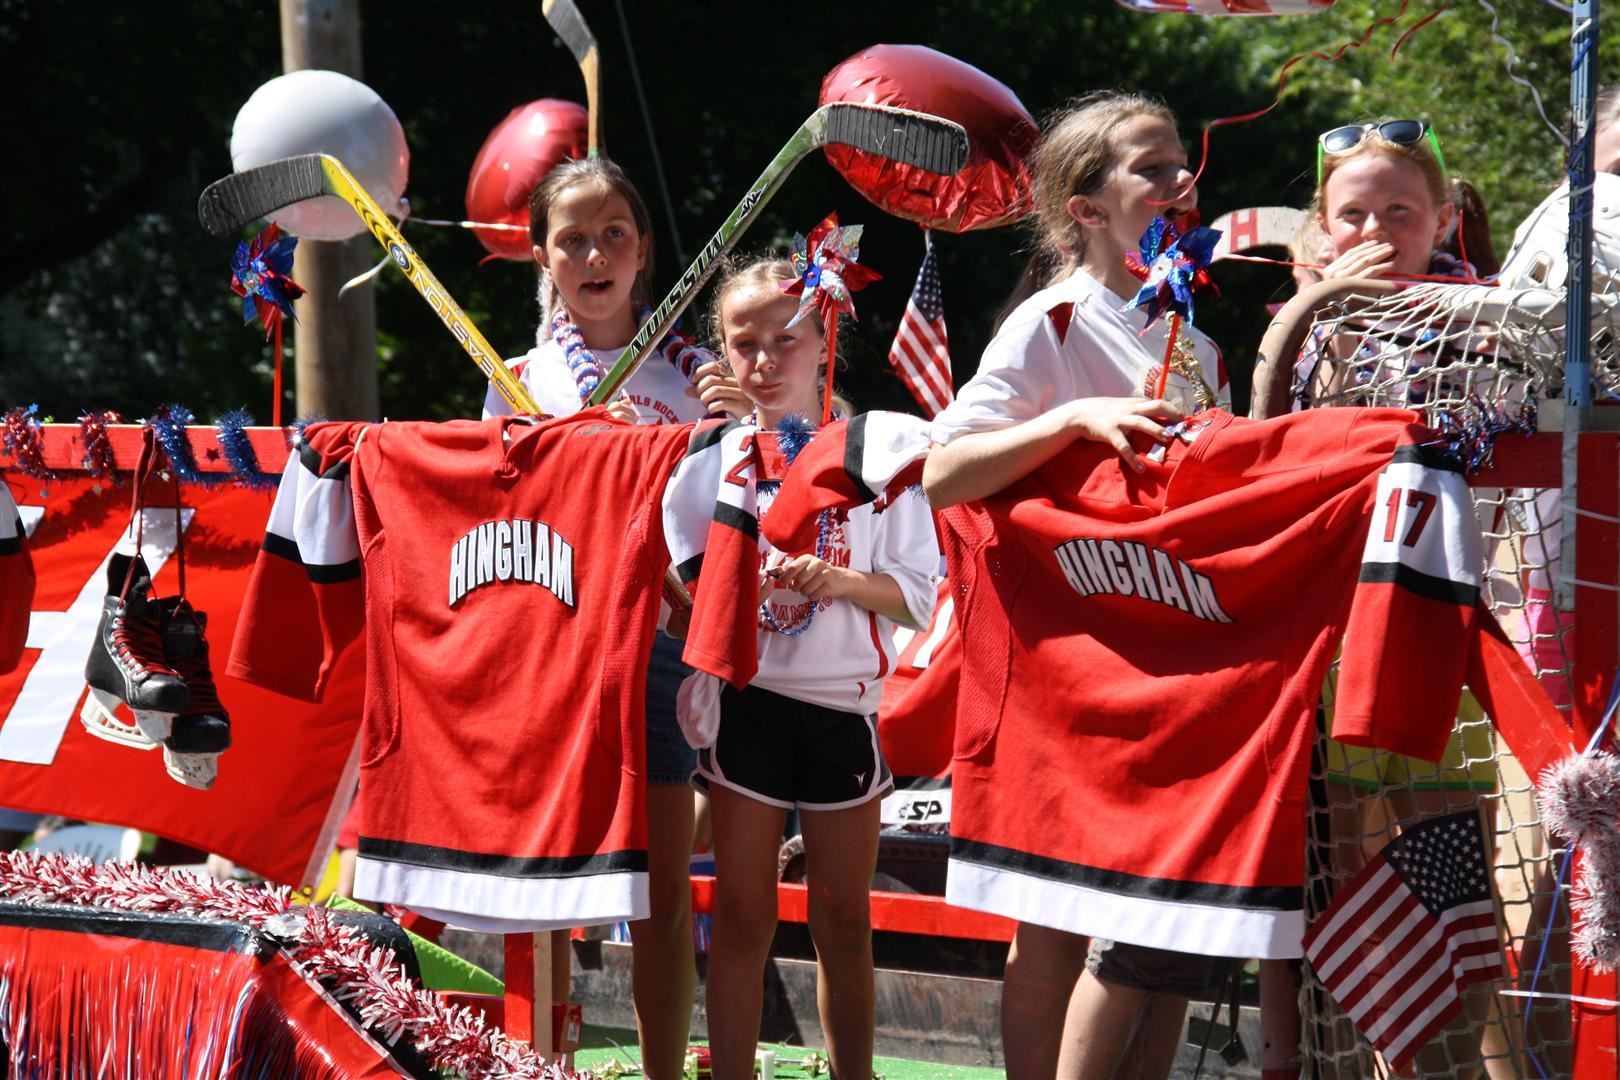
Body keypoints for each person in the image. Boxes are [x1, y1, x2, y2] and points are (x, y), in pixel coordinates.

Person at [923, 90, 1224, 1080]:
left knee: (1162, 926)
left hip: (1168, 670)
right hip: (1062, 671)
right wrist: (1072, 421)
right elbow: (943, 469)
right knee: (1054, 923)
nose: (1180, 181)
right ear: (1086, 208)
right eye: (1152, 167)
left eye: (1183, 162)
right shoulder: (1048, 327)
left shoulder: (1200, 346)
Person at [482, 156, 748, 1080]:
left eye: (615, 234)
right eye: (573, 238)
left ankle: (665, 1071)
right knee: (553, 879)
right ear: (542, 259)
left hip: (668, 651)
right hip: (558, 651)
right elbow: (498, 520)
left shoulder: (703, 377)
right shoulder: (515, 380)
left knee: (661, 891)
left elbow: (753, 509)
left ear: (643, 253)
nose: (594, 253)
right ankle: (540, 1059)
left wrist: (741, 428)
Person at [694, 255, 938, 1080]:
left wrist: (837, 581)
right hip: (749, 704)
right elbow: (674, 573)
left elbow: (919, 598)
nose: (764, 362)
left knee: (842, 920)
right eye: (744, 343)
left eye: (785, 340)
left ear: (826, 334)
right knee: (741, 917)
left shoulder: (882, 452)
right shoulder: (713, 456)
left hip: (844, 711)